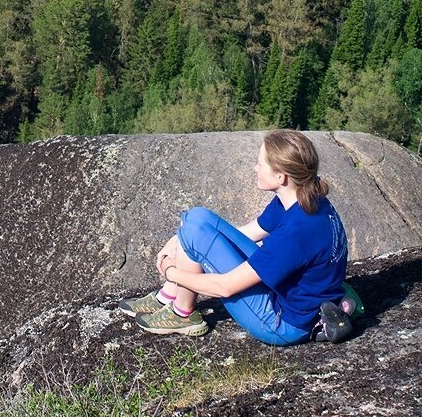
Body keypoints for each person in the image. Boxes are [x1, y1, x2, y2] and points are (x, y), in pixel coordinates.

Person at [119, 129, 348, 344]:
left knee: (195, 234)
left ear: (281, 176)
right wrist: (178, 241)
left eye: (260, 163)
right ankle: (168, 296)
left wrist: (171, 271)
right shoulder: (304, 197)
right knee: (197, 219)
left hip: (281, 322)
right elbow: (247, 232)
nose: (254, 168)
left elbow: (224, 288)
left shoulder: (297, 230)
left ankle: (182, 314)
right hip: (285, 289)